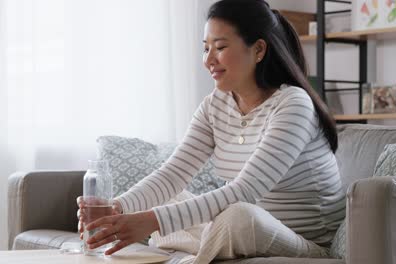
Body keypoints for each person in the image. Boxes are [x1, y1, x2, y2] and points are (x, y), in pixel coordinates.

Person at [77, 0, 345, 262]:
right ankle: (210, 242)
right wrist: (116, 209)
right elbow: (172, 175)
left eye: (220, 47)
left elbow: (245, 191)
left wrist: (151, 221)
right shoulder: (215, 105)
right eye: (205, 49)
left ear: (259, 50)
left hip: (305, 243)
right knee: (169, 200)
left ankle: (197, 253)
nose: (208, 60)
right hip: (243, 227)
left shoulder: (293, 104)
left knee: (238, 216)